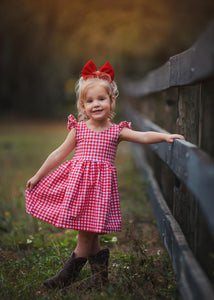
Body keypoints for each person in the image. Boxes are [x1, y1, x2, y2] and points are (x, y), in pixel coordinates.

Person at [26, 60, 184, 289]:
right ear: (83, 106)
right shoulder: (78, 129)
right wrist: (38, 175)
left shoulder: (116, 131)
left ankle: (66, 277)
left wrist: (165, 137)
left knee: (86, 236)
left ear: (112, 101)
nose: (96, 104)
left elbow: (143, 136)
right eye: (90, 101)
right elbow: (58, 153)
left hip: (98, 191)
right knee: (88, 234)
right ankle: (100, 279)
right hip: (78, 187)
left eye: (101, 99)